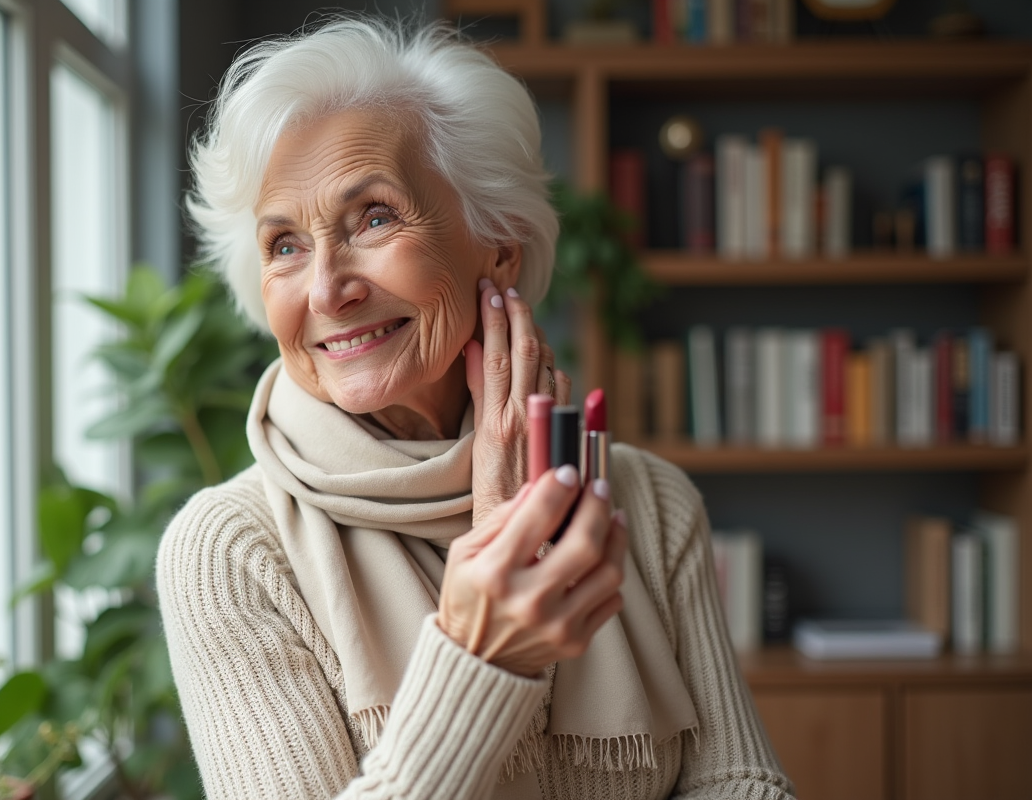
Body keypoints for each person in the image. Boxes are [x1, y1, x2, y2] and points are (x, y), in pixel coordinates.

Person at [158, 16, 795, 800]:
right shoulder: (228, 552)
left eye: (375, 217)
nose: (327, 289)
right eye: (284, 245)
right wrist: (480, 653)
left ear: (499, 246)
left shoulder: (648, 503)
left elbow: (742, 784)